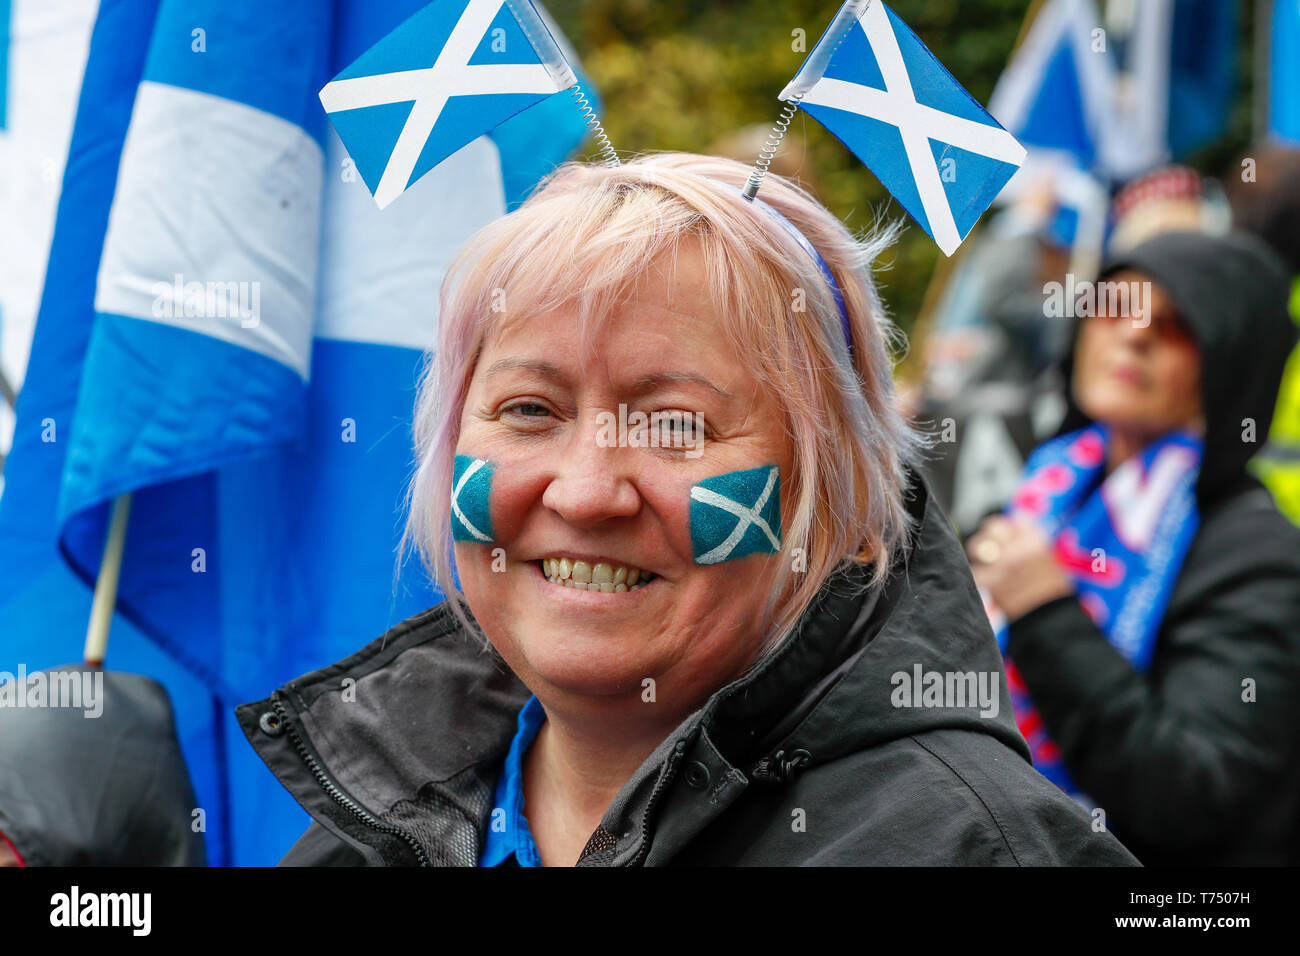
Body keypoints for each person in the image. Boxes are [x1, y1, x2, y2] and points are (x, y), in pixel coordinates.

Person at [237, 153, 1136, 867]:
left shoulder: (984, 851)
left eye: (677, 425)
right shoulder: (356, 841)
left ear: (847, 505)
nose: (586, 493)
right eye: (530, 410)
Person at [968, 230, 1300, 866]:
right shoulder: (1046, 492)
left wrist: (1044, 611)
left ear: (1231, 362)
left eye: (1176, 325)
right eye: (1115, 307)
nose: (1135, 334)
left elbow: (1189, 789)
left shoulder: (1257, 555)